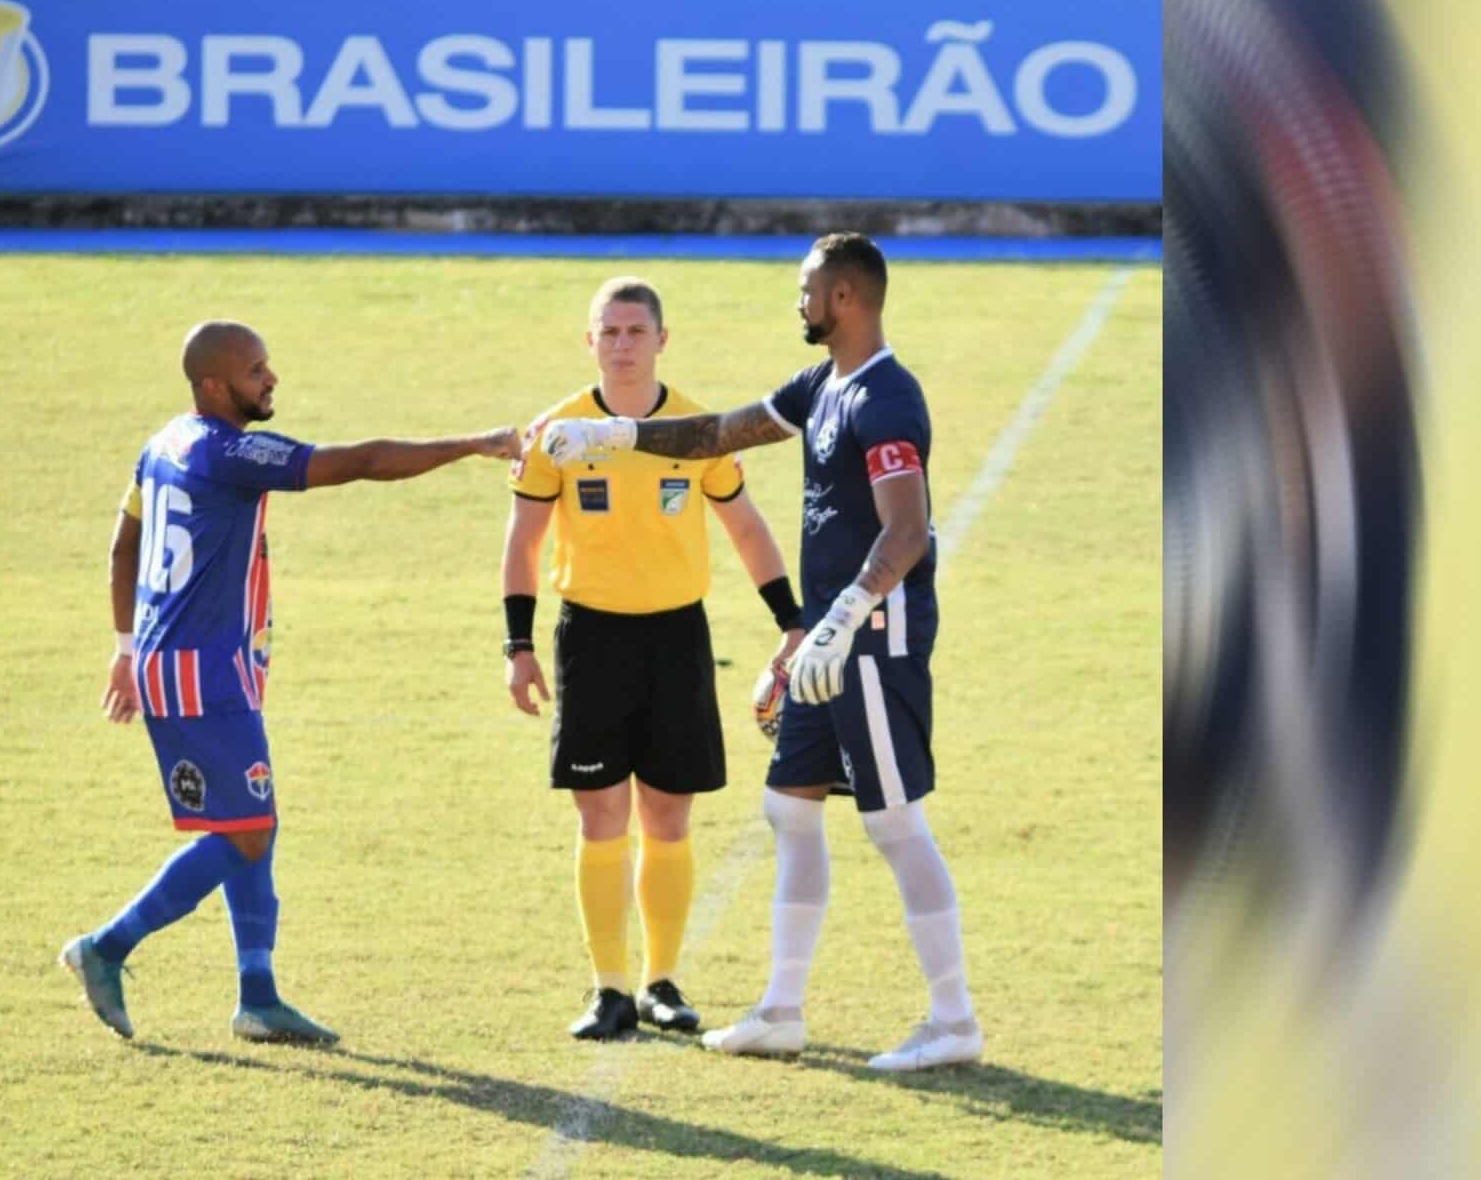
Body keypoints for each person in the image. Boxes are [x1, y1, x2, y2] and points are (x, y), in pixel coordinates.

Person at [538, 234, 983, 1071]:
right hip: (825, 639)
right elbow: (720, 432)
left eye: (806, 288)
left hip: (871, 639)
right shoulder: (821, 384)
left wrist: (845, 613)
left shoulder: (886, 398)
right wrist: (619, 436)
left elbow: (908, 529)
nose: (797, 301)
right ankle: (781, 1009)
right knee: (789, 807)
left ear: (844, 297)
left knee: (892, 822)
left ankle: (953, 1021)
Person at [61, 320, 519, 1044]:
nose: (270, 378)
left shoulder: (163, 444)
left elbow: (123, 546)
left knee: (252, 824)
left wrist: (125, 646)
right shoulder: (227, 451)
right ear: (214, 385)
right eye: (254, 370)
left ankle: (258, 996)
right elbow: (362, 460)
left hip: (192, 665)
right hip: (200, 673)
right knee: (245, 829)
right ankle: (106, 947)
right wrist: (472, 444)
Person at [504, 277, 803, 1041]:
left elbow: (744, 527)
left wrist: (790, 620)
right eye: (609, 331)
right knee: (600, 815)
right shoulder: (559, 434)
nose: (623, 344)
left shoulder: (698, 430)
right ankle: (608, 989)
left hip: (676, 638)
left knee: (667, 816)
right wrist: (518, 645)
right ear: (590, 341)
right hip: (590, 639)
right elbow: (524, 543)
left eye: (636, 331)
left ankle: (660, 982)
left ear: (661, 340)